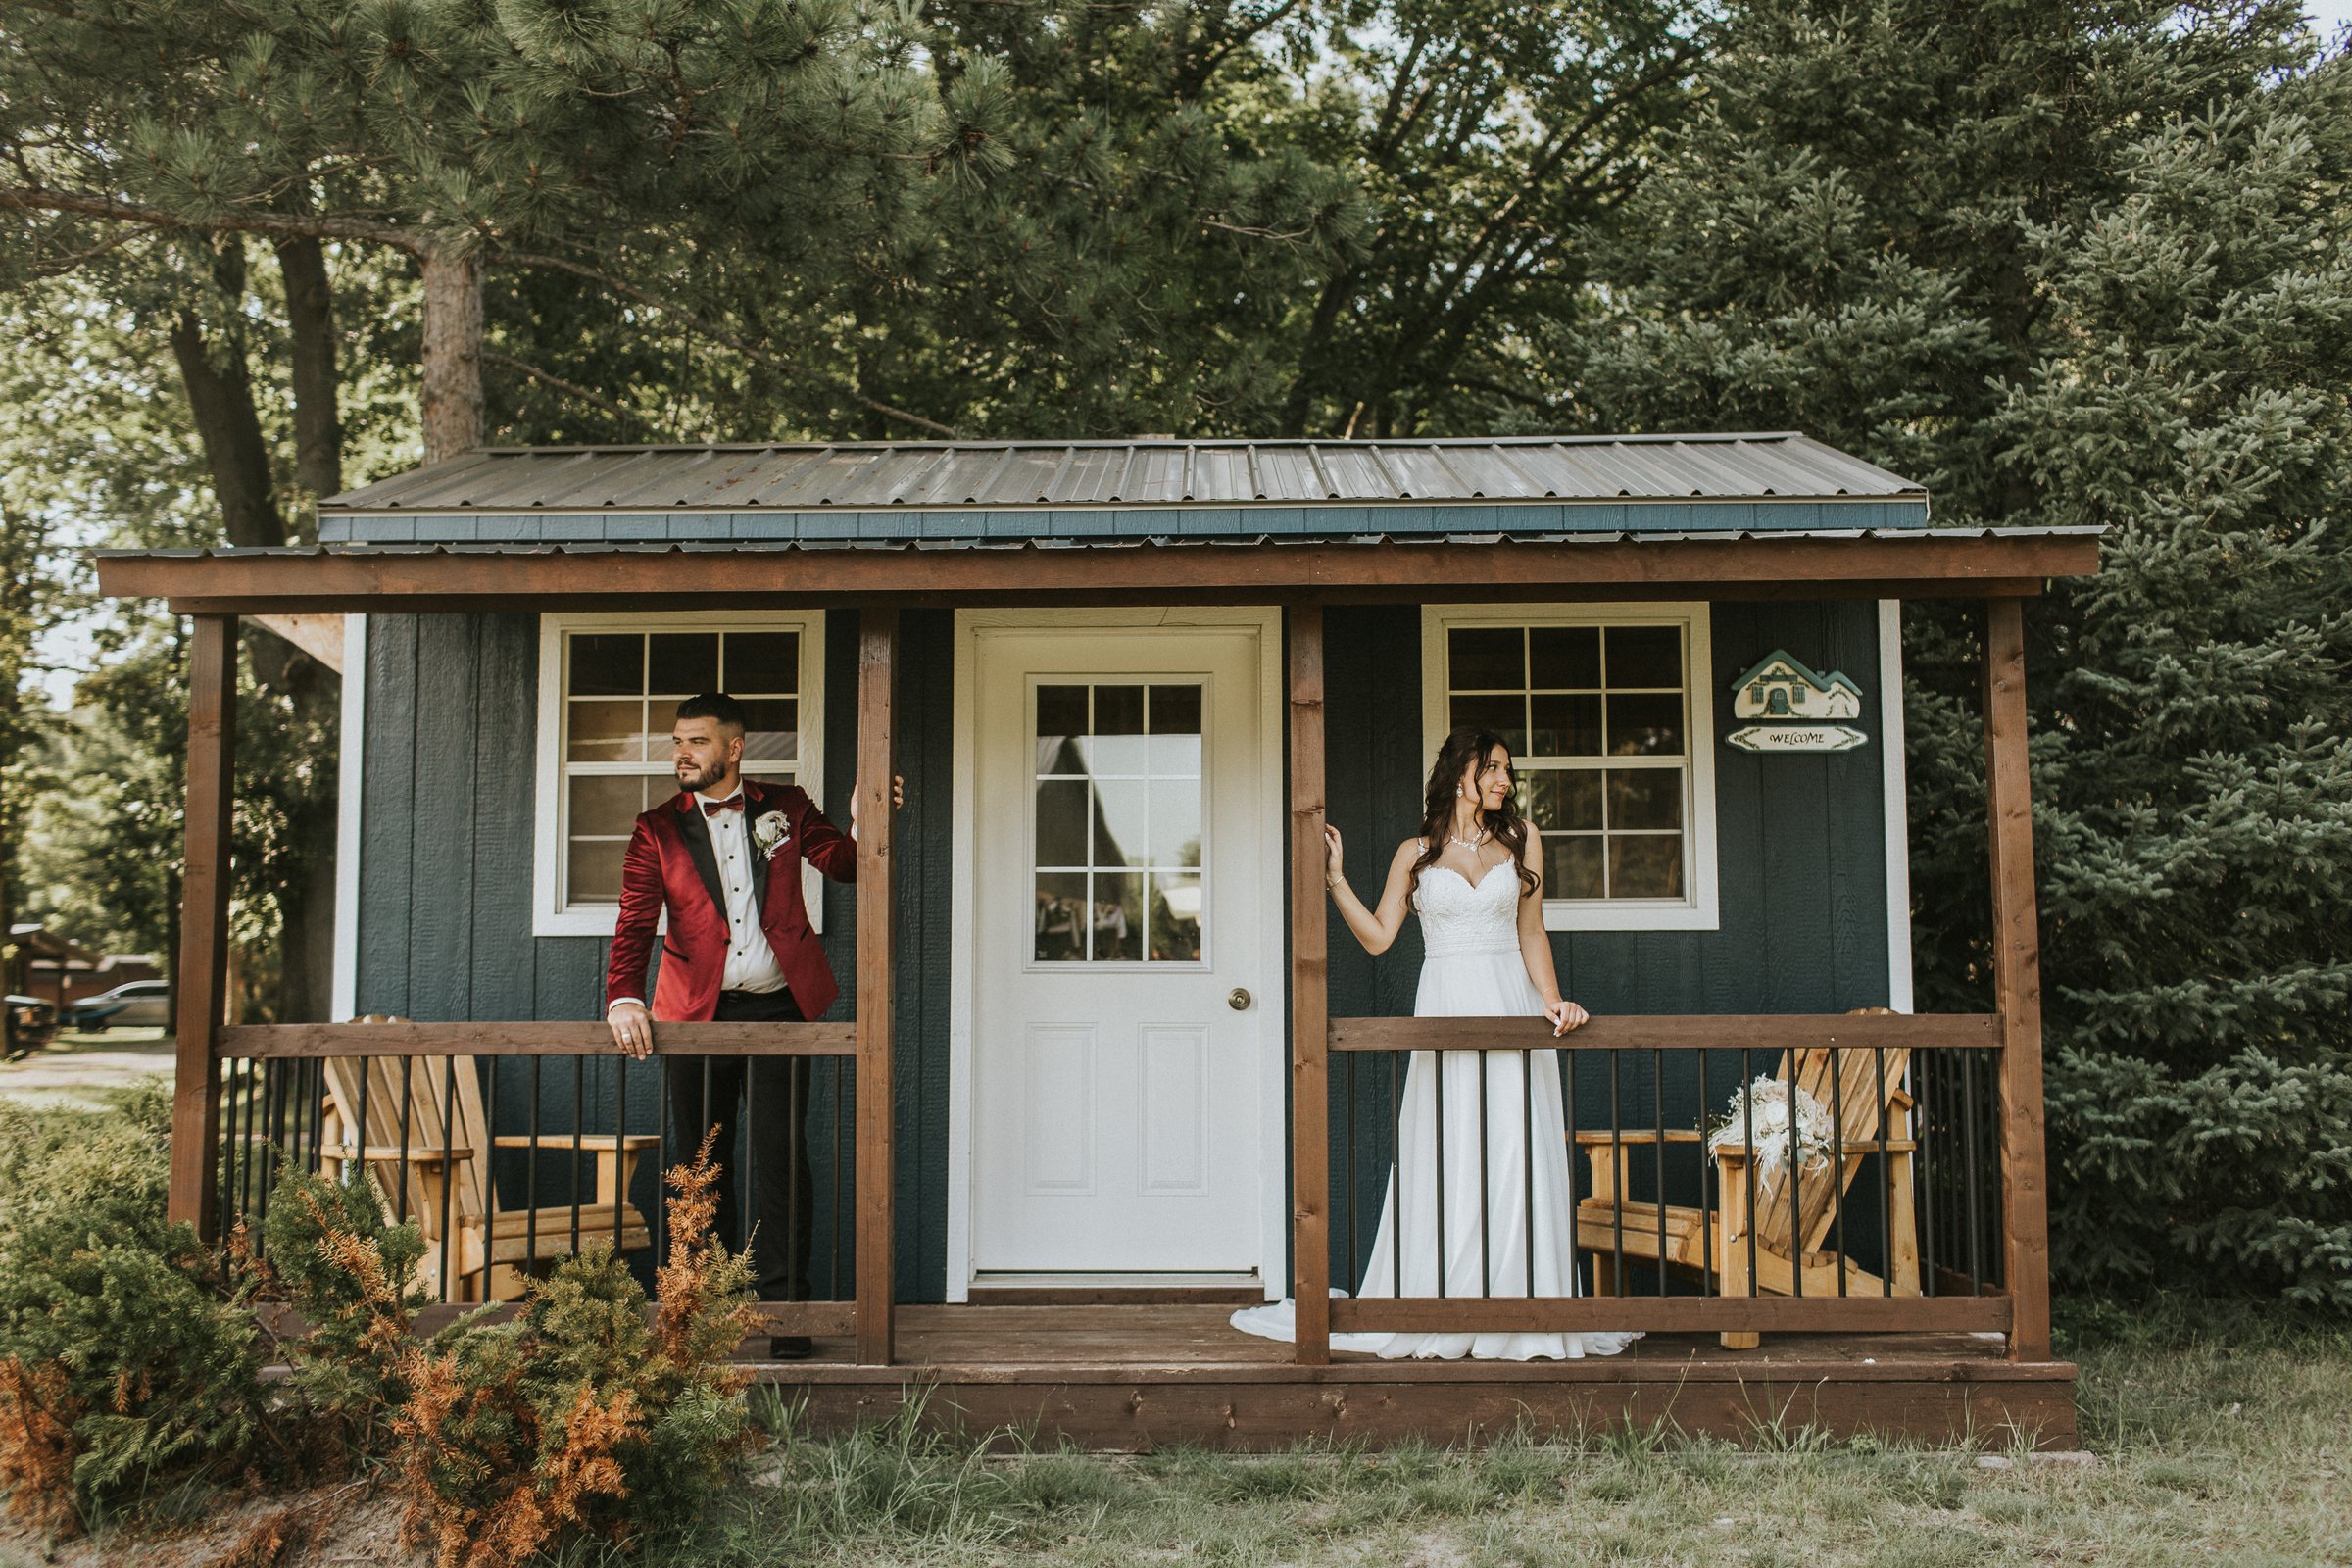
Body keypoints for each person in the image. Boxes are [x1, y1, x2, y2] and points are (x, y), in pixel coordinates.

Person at [1231, 727, 1639, 1360]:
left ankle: (1522, 1309)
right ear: (1459, 775)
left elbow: (1532, 932)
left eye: (1507, 770)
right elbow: (1378, 937)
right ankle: (1443, 1301)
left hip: (1510, 1005)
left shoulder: (1524, 838)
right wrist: (1336, 880)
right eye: (1493, 768)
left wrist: (1553, 999)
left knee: (1514, 1148)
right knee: (1451, 1148)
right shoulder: (1415, 853)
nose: (1505, 780)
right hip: (1445, 1007)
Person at [605, 691, 899, 1360]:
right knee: (699, 1164)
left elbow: (846, 866)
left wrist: (864, 820)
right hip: (693, 1014)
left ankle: (786, 1312)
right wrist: (623, 997)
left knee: (781, 1160)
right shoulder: (656, 828)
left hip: (779, 1010)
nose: (682, 753)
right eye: (678, 742)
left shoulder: (786, 808)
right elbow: (634, 920)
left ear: (734, 749)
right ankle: (701, 1313)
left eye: (697, 741)